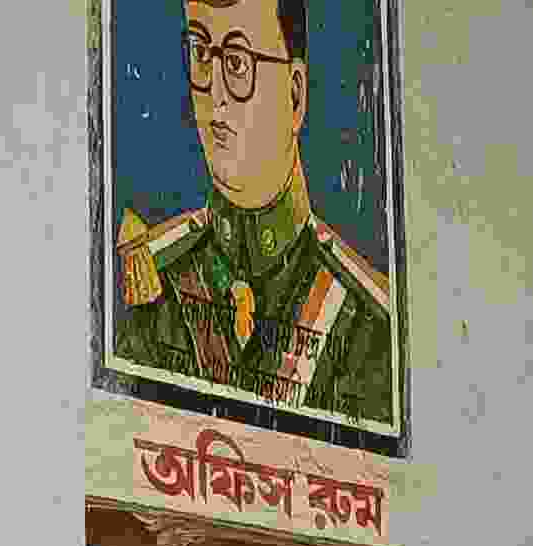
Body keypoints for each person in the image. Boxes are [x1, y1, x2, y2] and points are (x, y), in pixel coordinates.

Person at [112, 0, 398, 430]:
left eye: (237, 62)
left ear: (295, 95)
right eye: (200, 52)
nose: (215, 94)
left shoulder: (371, 324)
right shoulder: (149, 282)